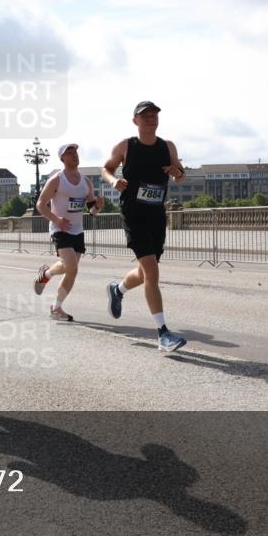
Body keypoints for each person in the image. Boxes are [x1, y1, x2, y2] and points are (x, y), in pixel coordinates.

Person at [102, 100, 187, 352]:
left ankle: (116, 289)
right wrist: (113, 180)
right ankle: (163, 334)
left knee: (146, 272)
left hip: (156, 215)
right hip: (134, 213)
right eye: (145, 115)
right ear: (135, 121)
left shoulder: (167, 146)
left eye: (154, 115)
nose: (151, 118)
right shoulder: (126, 146)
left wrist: (177, 171)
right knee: (152, 271)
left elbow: (181, 178)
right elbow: (105, 169)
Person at [33, 143, 103, 321]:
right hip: (59, 228)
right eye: (69, 153)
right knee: (71, 266)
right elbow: (40, 204)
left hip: (77, 231)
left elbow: (92, 211)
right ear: (62, 159)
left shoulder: (86, 182)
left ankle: (48, 280)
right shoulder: (57, 180)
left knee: (71, 269)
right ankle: (54, 302)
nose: (74, 155)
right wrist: (57, 220)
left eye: (75, 152)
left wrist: (98, 207)